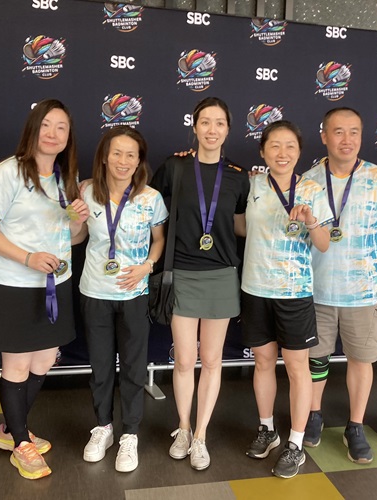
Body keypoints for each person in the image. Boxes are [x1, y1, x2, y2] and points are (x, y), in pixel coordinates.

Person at [0, 99, 89, 479]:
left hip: (57, 284)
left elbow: (73, 237)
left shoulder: (65, 176)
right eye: (46, 125)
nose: (53, 134)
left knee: (43, 362)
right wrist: (27, 258)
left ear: (68, 136)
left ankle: (10, 429)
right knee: (17, 365)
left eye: (61, 127)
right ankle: (21, 442)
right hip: (16, 285)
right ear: (33, 129)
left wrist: (78, 221)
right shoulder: (7, 172)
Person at [150, 97, 250, 470]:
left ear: (228, 129)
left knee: (211, 360)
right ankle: (183, 427)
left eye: (219, 123)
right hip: (182, 274)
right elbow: (149, 208)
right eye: (205, 122)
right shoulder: (174, 167)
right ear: (194, 127)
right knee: (184, 360)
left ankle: (201, 435)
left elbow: (241, 225)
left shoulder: (238, 175)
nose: (212, 129)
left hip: (221, 275)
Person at [301, 107, 377, 463]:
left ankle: (355, 426)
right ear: (324, 136)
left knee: (362, 359)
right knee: (316, 357)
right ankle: (313, 415)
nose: (347, 140)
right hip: (316, 288)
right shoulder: (308, 180)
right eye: (338, 132)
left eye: (354, 132)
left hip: (363, 289)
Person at [242, 120, 332, 479]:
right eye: (275, 146)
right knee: (263, 362)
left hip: (295, 292)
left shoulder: (312, 189)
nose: (282, 153)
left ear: (299, 151)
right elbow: (239, 225)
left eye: (290, 146)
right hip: (255, 288)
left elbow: (324, 244)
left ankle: (295, 443)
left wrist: (310, 221)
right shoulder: (251, 185)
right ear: (263, 151)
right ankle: (267, 429)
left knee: (297, 367)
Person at [78, 126, 167, 472]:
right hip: (95, 291)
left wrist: (147, 266)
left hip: (134, 293)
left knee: (133, 366)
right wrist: (71, 219)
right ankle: (103, 427)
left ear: (139, 160)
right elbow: (76, 237)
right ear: (104, 156)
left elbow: (159, 240)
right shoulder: (87, 191)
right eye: (117, 153)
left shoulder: (151, 198)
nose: (123, 160)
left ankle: (130, 433)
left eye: (131, 154)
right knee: (101, 367)